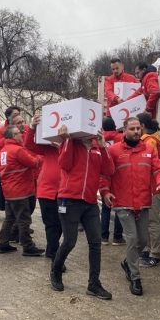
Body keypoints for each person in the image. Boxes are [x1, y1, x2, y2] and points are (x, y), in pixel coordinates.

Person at [101, 117, 160, 296]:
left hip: (144, 202)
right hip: (123, 203)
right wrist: (105, 191)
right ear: (125, 130)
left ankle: (128, 262)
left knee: (143, 239)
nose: (136, 132)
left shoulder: (149, 149)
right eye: (132, 129)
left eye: (138, 128)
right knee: (131, 238)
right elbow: (105, 174)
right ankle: (135, 278)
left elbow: (158, 170)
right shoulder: (114, 151)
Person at [49, 125, 113, 300]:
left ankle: (94, 283)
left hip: (90, 202)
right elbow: (64, 164)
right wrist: (68, 140)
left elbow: (108, 170)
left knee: (95, 242)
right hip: (68, 200)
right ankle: (55, 272)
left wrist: (102, 146)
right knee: (70, 241)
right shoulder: (70, 143)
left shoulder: (96, 147)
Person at [0, 125, 44, 256]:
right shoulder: (17, 150)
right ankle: (28, 246)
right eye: (18, 133)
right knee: (24, 220)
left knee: (9, 219)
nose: (21, 134)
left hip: (9, 190)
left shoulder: (4, 151)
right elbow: (33, 163)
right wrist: (42, 157)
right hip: (20, 190)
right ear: (13, 136)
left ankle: (3, 243)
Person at [25, 114, 64, 266]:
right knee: (52, 224)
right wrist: (32, 127)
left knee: (61, 225)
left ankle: (51, 249)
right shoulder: (47, 147)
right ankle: (54, 254)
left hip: (64, 192)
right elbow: (29, 145)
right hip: (47, 191)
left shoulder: (70, 146)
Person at [137, 112, 160, 267]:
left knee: (152, 221)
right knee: (147, 221)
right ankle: (149, 249)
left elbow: (149, 165)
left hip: (152, 187)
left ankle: (155, 254)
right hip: (148, 186)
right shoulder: (150, 139)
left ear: (142, 126)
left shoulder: (149, 142)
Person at [0, 106, 21, 221]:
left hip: (12, 166)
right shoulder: (1, 131)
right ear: (8, 117)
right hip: (0, 165)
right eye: (15, 114)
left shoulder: (20, 130)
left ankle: (13, 218)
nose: (18, 116)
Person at [100, 117, 124, 245]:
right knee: (118, 206)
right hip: (117, 174)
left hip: (103, 175)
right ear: (115, 126)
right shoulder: (120, 137)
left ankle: (103, 236)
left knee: (105, 207)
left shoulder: (97, 138)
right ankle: (117, 237)